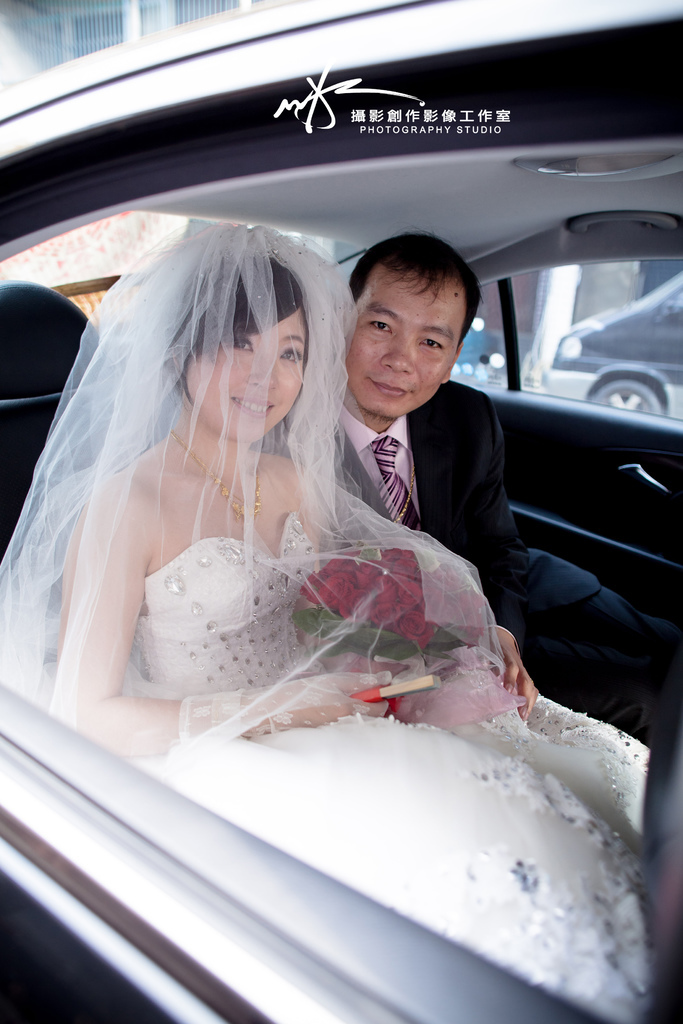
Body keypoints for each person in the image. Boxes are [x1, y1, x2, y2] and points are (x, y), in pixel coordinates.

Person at [0, 224, 651, 1022]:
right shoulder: (124, 505)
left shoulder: (293, 478)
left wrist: (450, 643)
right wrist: (273, 708)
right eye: (238, 345)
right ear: (178, 352)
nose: (265, 377)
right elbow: (85, 714)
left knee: (545, 815)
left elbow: (359, 602)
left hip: (338, 715)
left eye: (291, 352)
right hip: (219, 751)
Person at [342, 232, 681, 744]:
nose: (400, 359)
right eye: (381, 326)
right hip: (432, 651)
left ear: (454, 357)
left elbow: (499, 544)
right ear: (341, 322)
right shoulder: (285, 439)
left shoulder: (467, 415)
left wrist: (502, 631)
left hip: (518, 596)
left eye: (431, 342)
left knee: (673, 643)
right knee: (652, 695)